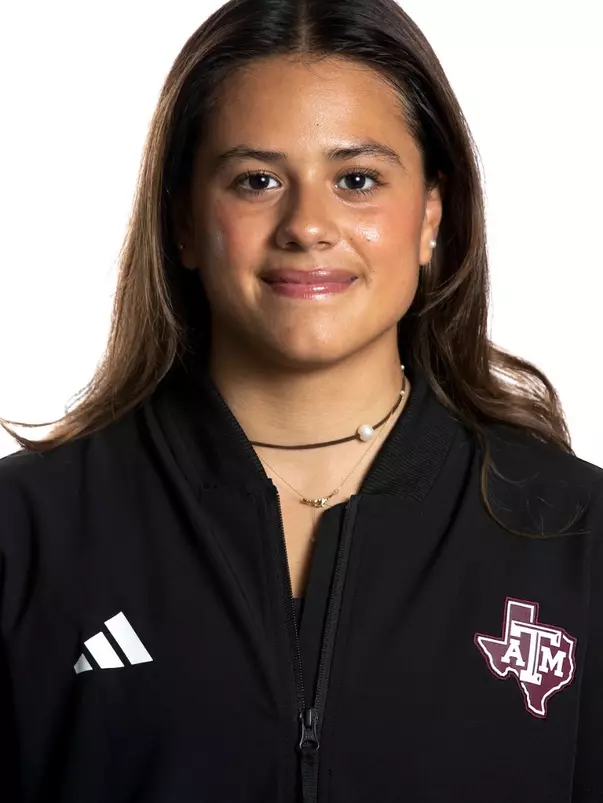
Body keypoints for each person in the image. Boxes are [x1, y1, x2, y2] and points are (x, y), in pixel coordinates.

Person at [0, 0, 602, 800]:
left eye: (356, 180)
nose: (307, 225)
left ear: (430, 215)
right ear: (182, 220)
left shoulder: (577, 537)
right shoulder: (24, 536)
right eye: (256, 181)